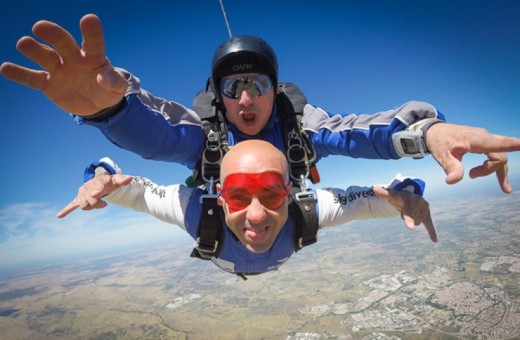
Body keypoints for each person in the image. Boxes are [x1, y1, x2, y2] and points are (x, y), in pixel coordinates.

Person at [2, 14, 519, 193]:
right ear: (218, 97)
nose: (245, 98)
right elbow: (160, 134)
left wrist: (427, 132)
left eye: (258, 85)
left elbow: (363, 132)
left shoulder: (302, 128)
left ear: (277, 90)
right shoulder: (207, 137)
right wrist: (106, 110)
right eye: (230, 89)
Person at [58, 140, 436, 277]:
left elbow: (373, 199)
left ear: (290, 193)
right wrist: (102, 178)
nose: (256, 215)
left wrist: (408, 196)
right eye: (238, 196)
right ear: (220, 197)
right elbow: (137, 191)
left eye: (271, 194)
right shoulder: (196, 209)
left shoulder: (308, 209)